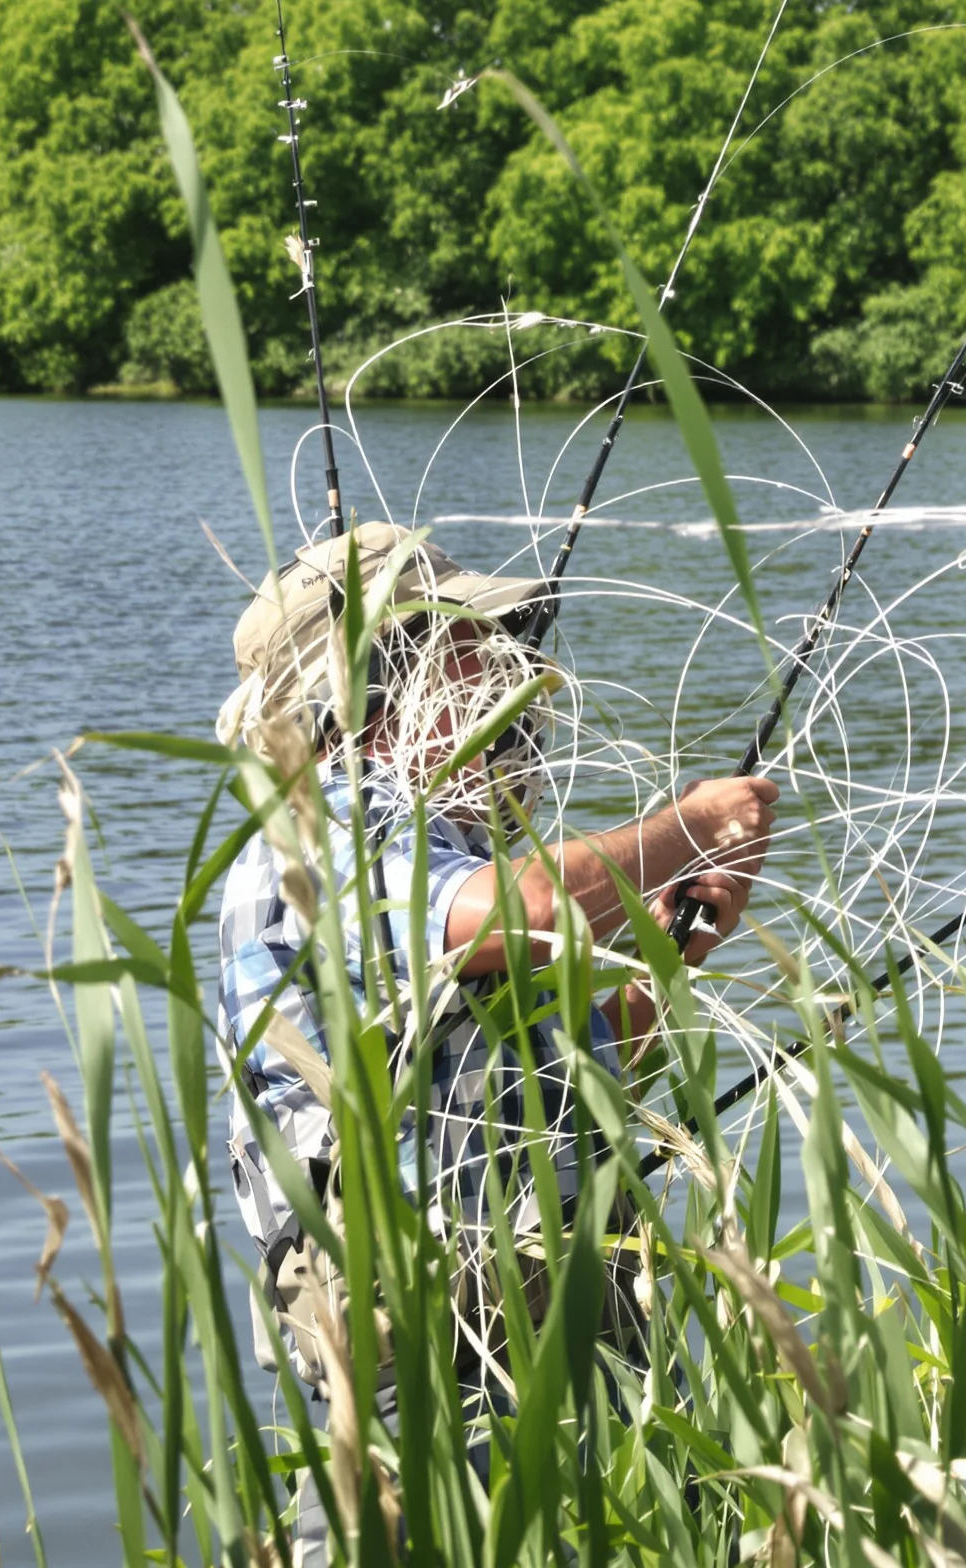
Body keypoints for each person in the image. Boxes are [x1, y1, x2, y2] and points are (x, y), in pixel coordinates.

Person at [214, 522, 777, 1429]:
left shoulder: (441, 851)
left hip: (555, 1345)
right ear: (365, 690)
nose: (509, 673)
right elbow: (533, 912)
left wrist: (669, 957)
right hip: (439, 1382)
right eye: (471, 646)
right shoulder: (323, 828)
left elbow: (572, 1092)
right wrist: (694, 822)